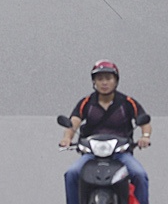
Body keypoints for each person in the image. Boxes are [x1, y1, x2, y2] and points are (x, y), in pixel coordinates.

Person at [59, 61, 151, 204]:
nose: (104, 83)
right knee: (71, 174)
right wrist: (66, 138)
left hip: (121, 153)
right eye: (100, 79)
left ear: (116, 81)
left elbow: (144, 122)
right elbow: (73, 122)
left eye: (108, 78)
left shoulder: (127, 102)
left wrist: (145, 137)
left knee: (139, 174)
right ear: (94, 82)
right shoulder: (86, 102)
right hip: (91, 153)